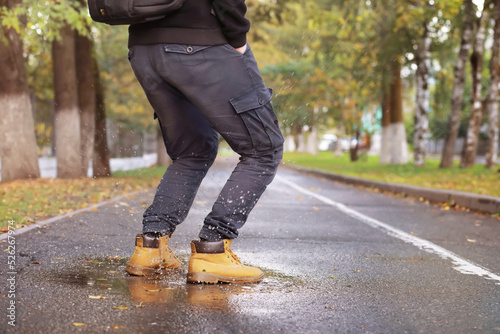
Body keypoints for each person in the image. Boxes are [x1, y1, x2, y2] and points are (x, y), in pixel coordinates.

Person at [125, 0, 284, 284]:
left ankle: (151, 246)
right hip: (199, 43)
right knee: (264, 148)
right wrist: (237, 39)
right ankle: (213, 250)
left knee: (193, 150)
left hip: (144, 49)